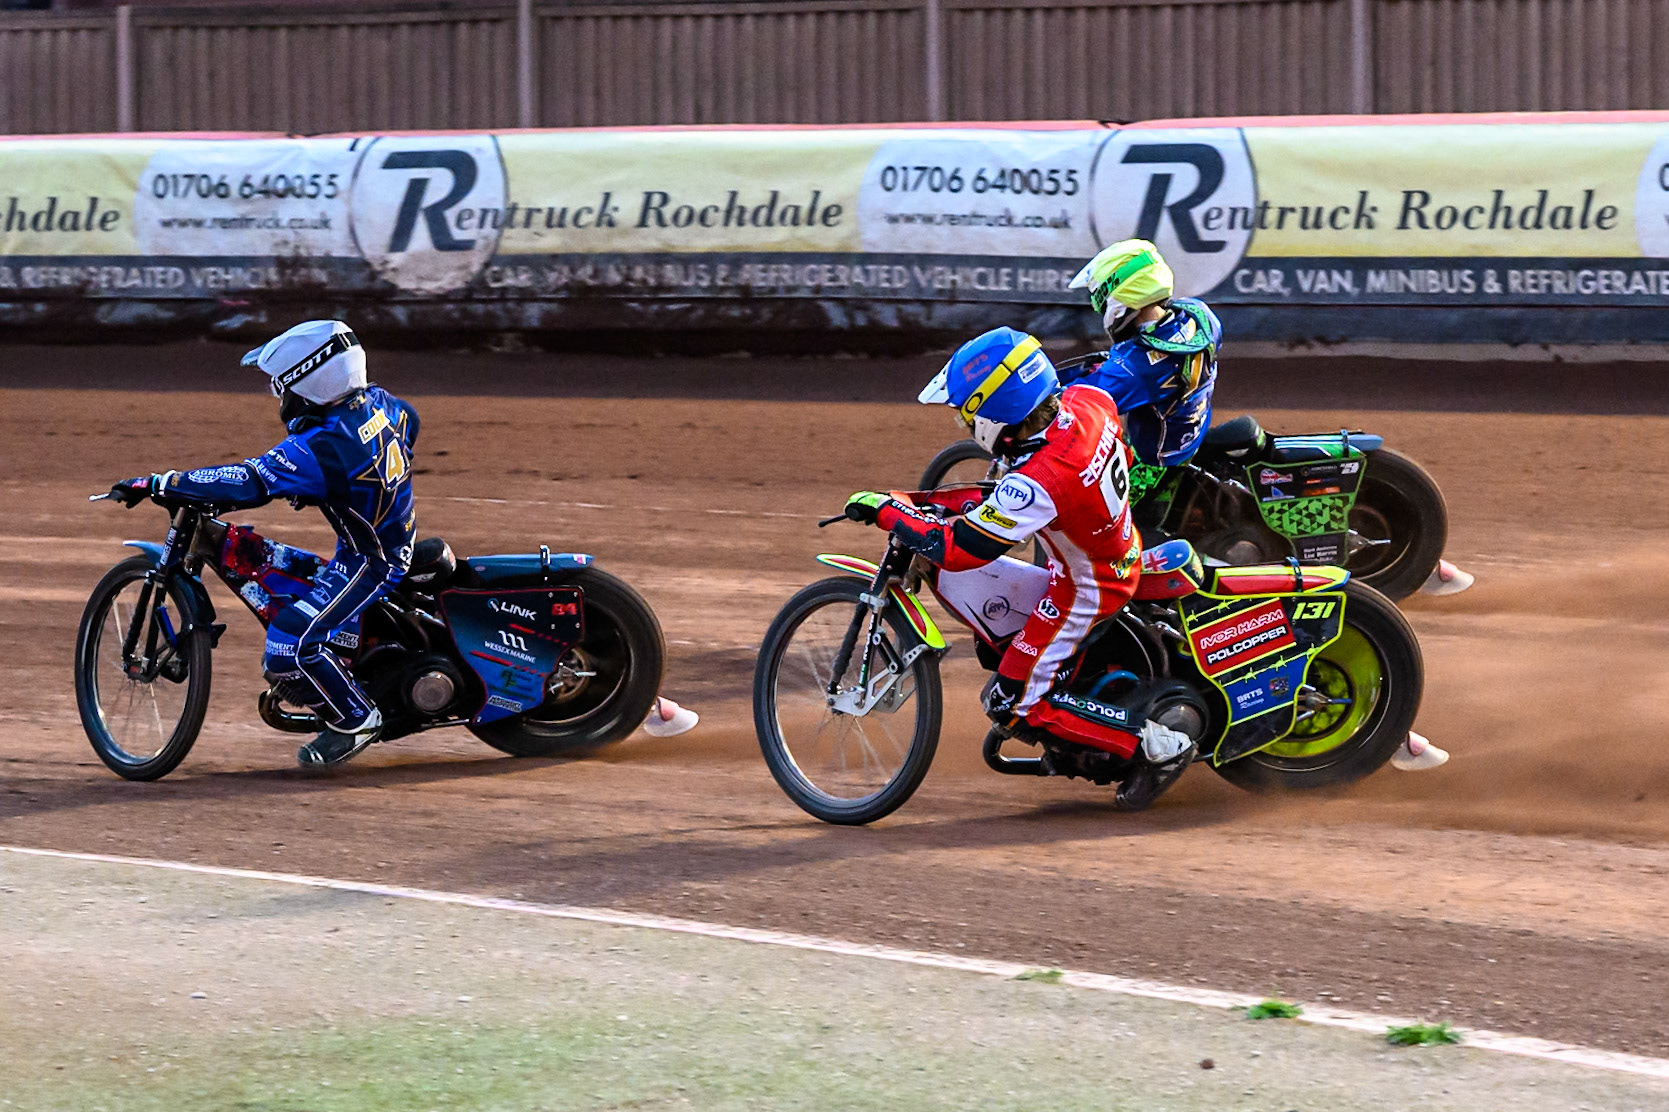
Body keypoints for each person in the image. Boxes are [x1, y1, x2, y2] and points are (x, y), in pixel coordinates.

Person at [843, 326, 1196, 810]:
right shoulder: (1087, 401)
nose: (966, 426)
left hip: (1087, 587)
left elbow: (959, 549)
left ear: (995, 412)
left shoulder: (1041, 480)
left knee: (1010, 704)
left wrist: (887, 511)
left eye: (968, 413)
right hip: (1112, 546)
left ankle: (1157, 748)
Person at [109, 320, 419, 768]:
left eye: (282, 386)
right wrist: (339, 487)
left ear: (310, 381)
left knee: (286, 646)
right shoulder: (380, 404)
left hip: (371, 562)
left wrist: (160, 482)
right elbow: (412, 425)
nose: (280, 398)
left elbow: (248, 480)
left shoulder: (323, 446)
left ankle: (356, 718)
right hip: (383, 540)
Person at [1065, 239, 1221, 472]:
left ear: (1117, 297)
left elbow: (1078, 403)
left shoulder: (1135, 368)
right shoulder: (1200, 315)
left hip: (1155, 462)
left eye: (1100, 301)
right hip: (1191, 430)